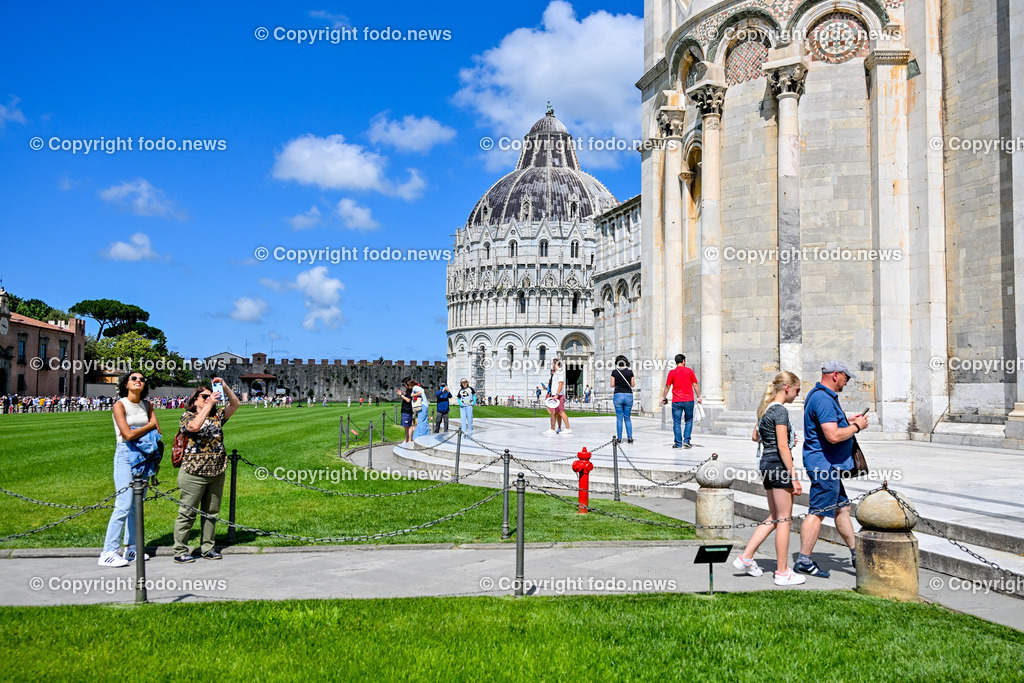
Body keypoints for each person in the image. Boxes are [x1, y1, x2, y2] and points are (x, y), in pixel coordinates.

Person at [795, 361, 869, 578]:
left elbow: (829, 424)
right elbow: (833, 435)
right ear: (835, 375)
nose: (847, 381)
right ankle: (804, 560)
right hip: (824, 466)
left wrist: (847, 420)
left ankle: (856, 553)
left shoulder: (819, 395)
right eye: (846, 377)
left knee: (842, 508)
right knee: (817, 512)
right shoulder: (823, 399)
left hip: (828, 465)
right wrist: (857, 427)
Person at [733, 372, 806, 586]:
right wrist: (794, 478)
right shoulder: (780, 410)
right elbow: (782, 446)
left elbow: (755, 436)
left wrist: (783, 438)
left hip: (766, 463)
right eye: (797, 390)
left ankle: (746, 558)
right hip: (778, 465)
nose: (798, 394)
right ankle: (782, 572)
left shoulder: (765, 408)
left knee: (775, 517)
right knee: (784, 519)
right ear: (787, 388)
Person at [173, 377, 240, 563]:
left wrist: (225, 387)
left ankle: (208, 548)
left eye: (211, 395)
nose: (209, 398)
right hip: (193, 472)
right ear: (195, 400)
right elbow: (194, 427)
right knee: (188, 512)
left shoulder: (217, 416)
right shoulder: (187, 416)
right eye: (204, 396)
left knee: (211, 513)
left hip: (216, 471)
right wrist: (209, 405)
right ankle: (180, 550)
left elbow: (235, 404)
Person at [99, 372, 160, 567]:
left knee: (137, 505)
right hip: (126, 453)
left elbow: (158, 430)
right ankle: (108, 551)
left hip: (144, 454)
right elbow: (127, 434)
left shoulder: (147, 405)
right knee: (123, 504)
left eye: (141, 379)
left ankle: (132, 547)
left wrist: (146, 428)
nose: (138, 381)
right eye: (134, 379)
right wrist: (148, 427)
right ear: (126, 384)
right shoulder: (120, 405)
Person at [662, 354, 701, 448]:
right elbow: (695, 385)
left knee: (677, 422)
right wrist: (699, 396)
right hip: (688, 400)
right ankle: (686, 441)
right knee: (689, 420)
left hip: (677, 400)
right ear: (683, 361)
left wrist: (664, 397)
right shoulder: (690, 371)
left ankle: (678, 443)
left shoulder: (672, 372)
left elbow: (667, 386)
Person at [543, 358, 572, 435]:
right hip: (555, 395)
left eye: (553, 363)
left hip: (558, 396)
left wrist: (557, 394)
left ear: (555, 364)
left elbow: (561, 383)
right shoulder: (556, 373)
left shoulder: (560, 372)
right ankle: (555, 428)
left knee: (560, 412)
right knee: (555, 412)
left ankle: (567, 428)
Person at [611, 356, 636, 443]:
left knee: (619, 418)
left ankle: (619, 438)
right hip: (628, 395)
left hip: (618, 395)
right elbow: (633, 385)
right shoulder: (630, 372)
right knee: (627, 418)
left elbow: (612, 385)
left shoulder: (615, 372)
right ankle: (630, 437)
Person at [396, 378, 415, 443]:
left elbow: (408, 400)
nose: (404, 386)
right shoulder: (408, 391)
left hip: (407, 410)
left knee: (408, 426)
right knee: (406, 426)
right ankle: (407, 440)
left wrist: (401, 395)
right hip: (406, 410)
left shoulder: (410, 391)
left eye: (404, 385)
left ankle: (409, 440)